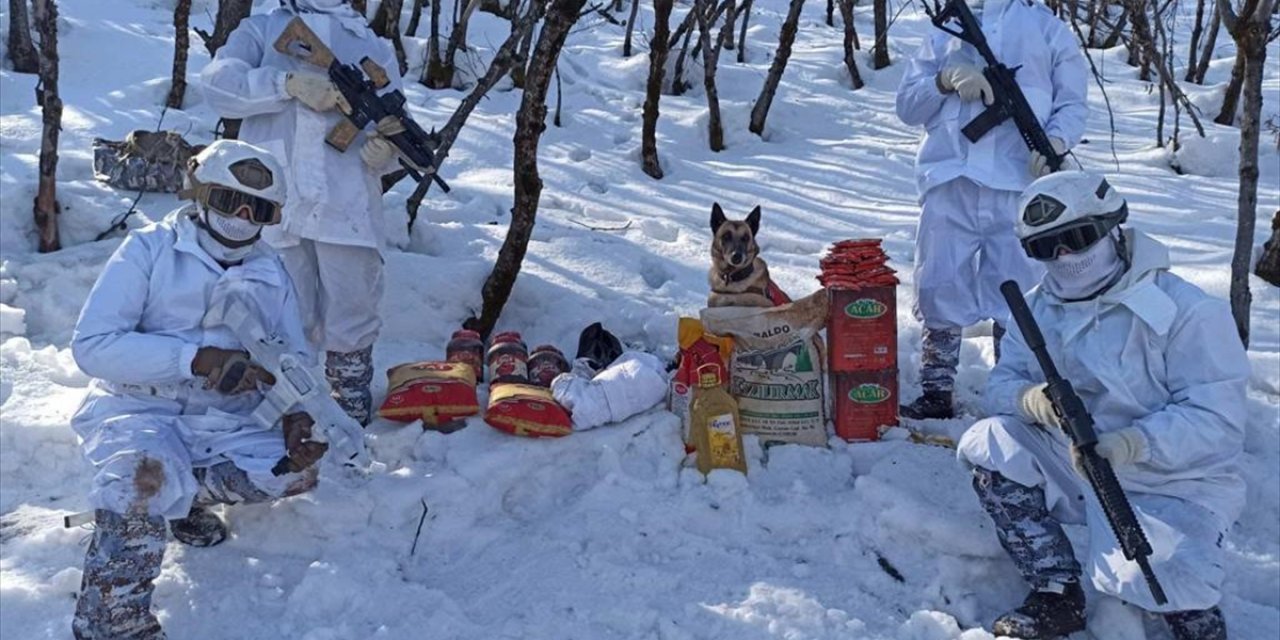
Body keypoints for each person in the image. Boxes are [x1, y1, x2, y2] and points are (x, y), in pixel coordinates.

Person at [957, 171, 1248, 639]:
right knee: (989, 442)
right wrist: (1030, 400)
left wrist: (1133, 444)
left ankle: (1192, 613)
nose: (1065, 257)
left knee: (1167, 583)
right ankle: (1054, 589)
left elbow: (1218, 419)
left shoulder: (1187, 311)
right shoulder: (1035, 309)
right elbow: (1001, 385)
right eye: (1047, 248)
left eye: (1076, 238)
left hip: (1173, 479)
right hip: (1073, 462)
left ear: (1112, 226)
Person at [70, 140, 328, 639]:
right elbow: (93, 346)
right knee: (140, 484)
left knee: (294, 472)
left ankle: (187, 501)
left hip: (221, 418)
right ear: (200, 193)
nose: (244, 217)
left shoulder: (270, 271)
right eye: (232, 201)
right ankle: (112, 624)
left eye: (261, 209)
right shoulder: (149, 250)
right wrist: (193, 359)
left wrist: (296, 412)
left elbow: (293, 357)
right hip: (139, 407)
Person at [201, 0, 407, 425]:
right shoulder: (260, 31)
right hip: (278, 196)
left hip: (345, 199)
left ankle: (347, 401)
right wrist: (285, 83)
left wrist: (387, 153)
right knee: (281, 307)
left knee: (353, 303)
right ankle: (285, 405)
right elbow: (218, 86)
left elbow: (396, 119)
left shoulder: (370, 44)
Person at [895, 0, 1089, 419]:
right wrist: (944, 81)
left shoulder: (1047, 29)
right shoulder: (946, 31)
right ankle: (936, 390)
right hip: (950, 177)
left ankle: (1010, 393)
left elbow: (1073, 103)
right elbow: (907, 105)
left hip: (1020, 185)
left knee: (1020, 292)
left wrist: (1054, 143)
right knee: (938, 284)